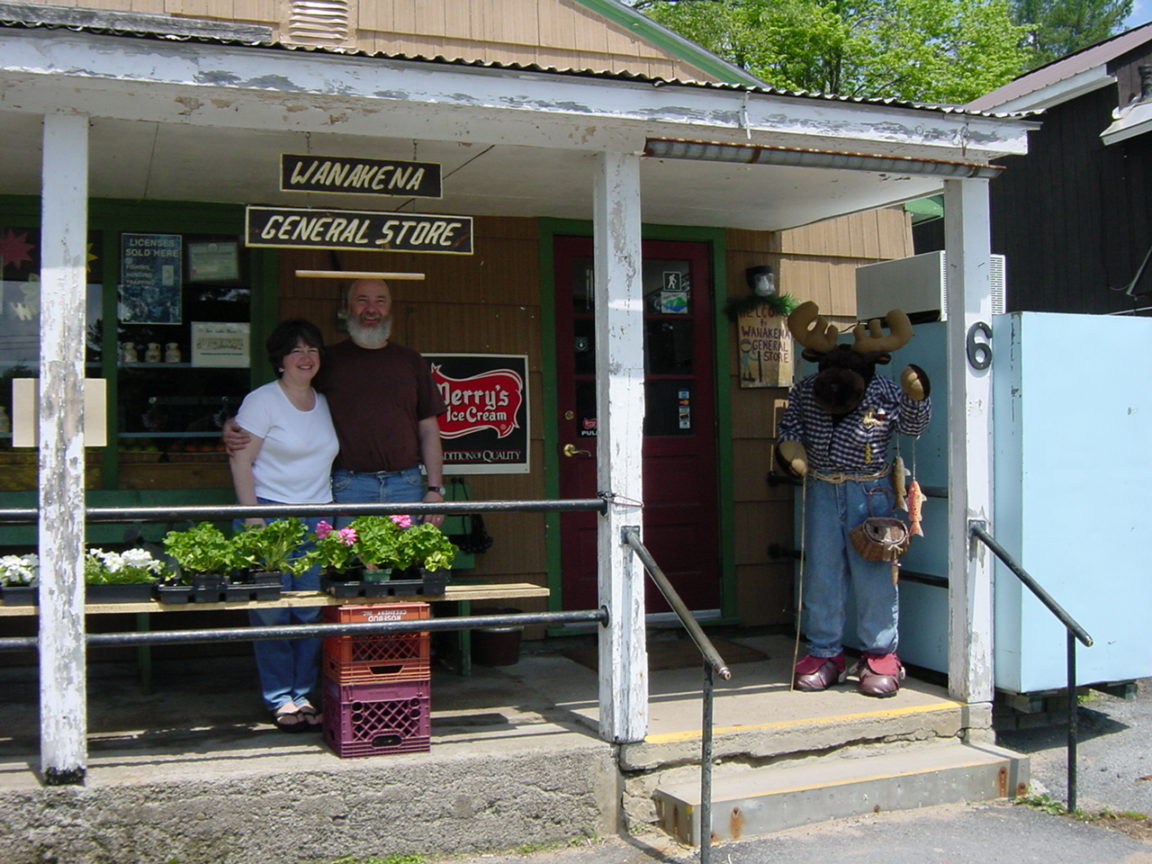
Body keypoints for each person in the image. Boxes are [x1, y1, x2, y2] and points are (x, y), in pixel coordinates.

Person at [775, 302, 930, 698]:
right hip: (823, 486)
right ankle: (824, 653)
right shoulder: (808, 389)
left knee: (874, 575)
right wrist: (791, 450)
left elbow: (912, 429)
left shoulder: (884, 389)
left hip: (872, 491)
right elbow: (790, 424)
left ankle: (879, 656)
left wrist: (916, 396)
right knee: (823, 574)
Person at [225, 278, 448, 521]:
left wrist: (435, 489)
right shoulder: (328, 361)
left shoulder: (410, 361)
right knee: (348, 558)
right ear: (347, 307)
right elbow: (289, 396)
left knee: (404, 559)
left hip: (406, 483)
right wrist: (235, 424)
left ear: (390, 308)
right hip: (350, 485)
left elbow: (428, 429)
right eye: (362, 301)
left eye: (380, 301)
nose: (371, 309)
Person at [229, 318, 339, 732]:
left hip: (317, 516)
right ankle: (280, 698)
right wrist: (252, 516)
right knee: (272, 615)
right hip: (271, 515)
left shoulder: (326, 402)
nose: (305, 357)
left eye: (312, 349)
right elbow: (240, 458)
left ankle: (303, 694)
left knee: (310, 612)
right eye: (296, 350)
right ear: (280, 360)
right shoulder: (263, 401)